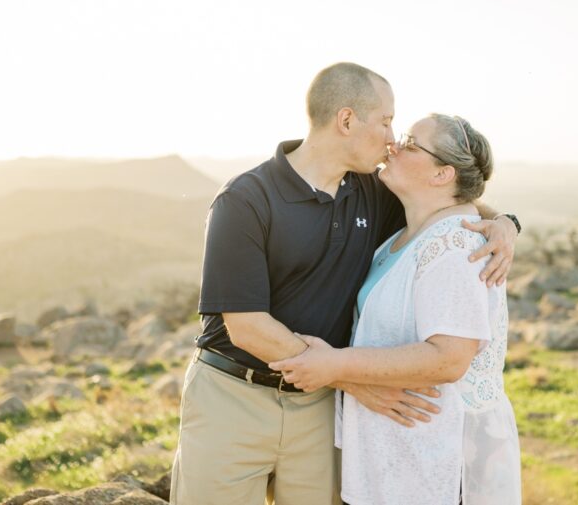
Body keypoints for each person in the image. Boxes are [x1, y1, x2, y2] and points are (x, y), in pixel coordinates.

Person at [169, 63, 520, 505]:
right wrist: (348, 377)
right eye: (387, 122)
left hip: (317, 408)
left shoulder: (374, 192)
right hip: (234, 397)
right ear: (347, 120)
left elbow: (448, 200)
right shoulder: (245, 199)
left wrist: (505, 222)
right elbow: (246, 325)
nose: (392, 139)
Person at [270, 114, 521, 505]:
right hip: (393, 460)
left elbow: (449, 360)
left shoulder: (456, 247)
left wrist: (335, 366)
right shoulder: (401, 240)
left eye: (409, 142)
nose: (393, 146)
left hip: (433, 467)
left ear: (442, 175)